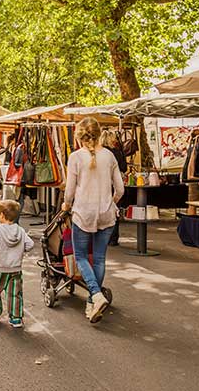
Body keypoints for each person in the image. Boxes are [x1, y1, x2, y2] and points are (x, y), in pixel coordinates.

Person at [62, 117, 124, 324]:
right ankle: (91, 302)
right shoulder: (110, 156)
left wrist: (66, 204)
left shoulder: (76, 157)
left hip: (83, 213)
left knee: (81, 256)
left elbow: (70, 190)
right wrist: (111, 201)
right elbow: (121, 189)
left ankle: (96, 295)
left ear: (80, 136)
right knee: (99, 258)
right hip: (107, 213)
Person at [0, 199, 34, 328]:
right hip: (15, 269)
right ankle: (16, 318)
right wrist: (20, 251)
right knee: (15, 293)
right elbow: (30, 244)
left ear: (1, 215)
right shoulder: (21, 231)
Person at [101, 130, 127, 246]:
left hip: (101, 184)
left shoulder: (98, 153)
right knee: (114, 211)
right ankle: (113, 238)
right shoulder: (117, 152)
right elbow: (124, 168)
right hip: (115, 184)